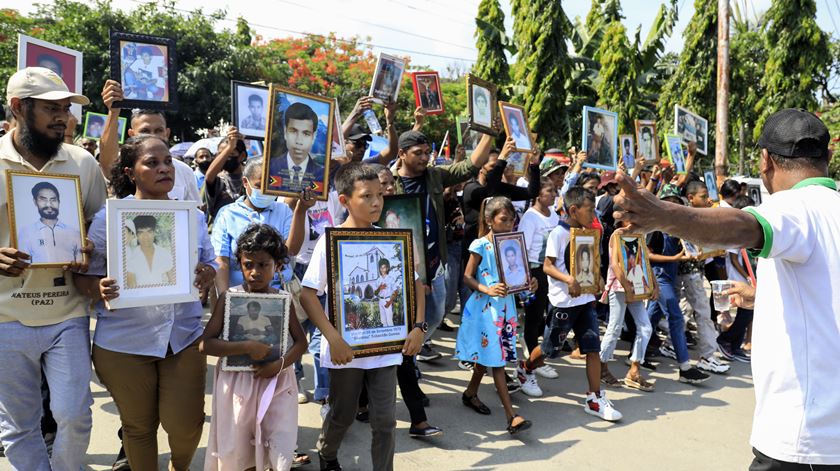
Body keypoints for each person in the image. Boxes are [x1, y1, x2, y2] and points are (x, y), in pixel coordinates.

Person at [614, 108, 840, 469]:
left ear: (765, 161)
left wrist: (663, 215)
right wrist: (766, 296)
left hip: (804, 440)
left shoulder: (795, 206)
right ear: (828, 156)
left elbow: (743, 225)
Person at [73, 134, 217, 471]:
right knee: (139, 427)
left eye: (167, 161)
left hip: (182, 337)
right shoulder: (110, 218)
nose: (164, 168)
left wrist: (207, 273)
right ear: (131, 172)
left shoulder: (191, 217)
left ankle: (178, 466)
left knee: (187, 425)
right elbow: (82, 280)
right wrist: (100, 287)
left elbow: (210, 263)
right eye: (152, 163)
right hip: (123, 342)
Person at [0, 67, 105, 471]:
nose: (63, 117)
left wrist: (92, 249)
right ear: (18, 108)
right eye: (51, 108)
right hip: (6, 315)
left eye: (66, 109)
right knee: (19, 425)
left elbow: (101, 226)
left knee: (75, 415)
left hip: (67, 311)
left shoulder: (82, 163)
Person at [299, 163, 426, 470]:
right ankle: (327, 453)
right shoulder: (331, 242)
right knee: (342, 414)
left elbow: (416, 284)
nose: (376, 203)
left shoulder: (391, 240)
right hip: (346, 349)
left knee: (385, 421)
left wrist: (419, 327)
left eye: (379, 195)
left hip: (385, 349)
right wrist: (333, 338)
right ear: (344, 201)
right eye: (366, 196)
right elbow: (308, 294)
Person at [202, 224, 308, 471]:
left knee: (276, 442)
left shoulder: (283, 300)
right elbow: (206, 344)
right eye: (248, 264)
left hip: (276, 382)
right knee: (239, 447)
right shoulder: (229, 299)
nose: (255, 272)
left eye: (264, 265)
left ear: (277, 266)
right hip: (237, 384)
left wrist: (278, 366)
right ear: (239, 263)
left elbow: (301, 342)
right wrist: (246, 346)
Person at [516, 187, 622, 422]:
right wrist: (568, 280)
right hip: (563, 303)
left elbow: (590, 262)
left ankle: (594, 397)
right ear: (573, 210)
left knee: (592, 347)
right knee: (549, 350)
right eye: (590, 209)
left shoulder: (586, 232)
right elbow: (548, 266)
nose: (593, 215)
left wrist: (598, 278)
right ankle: (525, 369)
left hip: (585, 300)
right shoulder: (558, 234)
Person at [392, 129, 493, 362]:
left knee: (437, 311)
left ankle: (417, 344)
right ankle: (406, 359)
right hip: (402, 263)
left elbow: (469, 166)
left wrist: (488, 134)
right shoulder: (388, 182)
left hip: (434, 260)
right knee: (402, 315)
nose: (424, 157)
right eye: (418, 153)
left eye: (427, 152)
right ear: (402, 154)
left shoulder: (435, 175)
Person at [455, 196, 536, 433]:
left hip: (506, 307)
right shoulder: (481, 244)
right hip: (486, 309)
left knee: (488, 355)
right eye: (504, 219)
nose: (509, 223)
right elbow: (467, 276)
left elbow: (519, 274)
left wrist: (529, 283)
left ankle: (470, 393)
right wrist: (487, 288)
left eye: (512, 219)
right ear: (490, 220)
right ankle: (511, 416)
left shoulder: (513, 243)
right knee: (497, 360)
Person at [643, 184, 711, 384]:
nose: (672, 207)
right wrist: (675, 259)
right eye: (668, 203)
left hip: (670, 279)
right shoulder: (654, 228)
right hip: (659, 277)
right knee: (676, 317)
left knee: (651, 317)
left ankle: (638, 355)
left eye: (676, 203)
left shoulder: (677, 229)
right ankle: (685, 367)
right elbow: (647, 255)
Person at [211, 157, 309, 295]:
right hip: (239, 294)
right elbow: (221, 260)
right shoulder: (227, 214)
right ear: (246, 182)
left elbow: (290, 251)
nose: (265, 191)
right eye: (259, 185)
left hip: (278, 292)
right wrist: (225, 298)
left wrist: (301, 210)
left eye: (270, 185)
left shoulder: (284, 210)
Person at [98, 81, 200, 204]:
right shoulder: (124, 167)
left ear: (167, 134)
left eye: (158, 130)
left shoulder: (184, 171)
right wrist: (113, 112)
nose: (152, 136)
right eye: (145, 131)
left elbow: (194, 215)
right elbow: (108, 164)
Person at [674, 180, 730, 375]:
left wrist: (714, 251)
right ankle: (707, 356)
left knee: (685, 311)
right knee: (704, 313)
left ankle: (670, 343)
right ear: (691, 198)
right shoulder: (685, 218)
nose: (708, 200)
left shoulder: (700, 216)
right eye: (703, 196)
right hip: (689, 270)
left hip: (695, 269)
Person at [599, 217, 656, 392]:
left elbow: (644, 260)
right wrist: (627, 288)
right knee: (615, 327)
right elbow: (615, 264)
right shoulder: (618, 234)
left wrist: (654, 284)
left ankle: (634, 370)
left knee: (645, 328)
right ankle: (601, 367)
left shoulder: (639, 234)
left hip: (637, 285)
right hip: (619, 286)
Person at [517, 177, 560, 379]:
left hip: (552, 271)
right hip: (535, 271)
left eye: (554, 190)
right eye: (549, 190)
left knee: (549, 313)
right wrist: (526, 278)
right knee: (534, 315)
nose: (554, 194)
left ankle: (535, 348)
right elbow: (522, 250)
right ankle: (534, 359)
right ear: (538, 194)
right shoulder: (530, 218)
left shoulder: (555, 216)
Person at [716, 194, 755, 364]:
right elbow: (733, 259)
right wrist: (746, 275)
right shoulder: (734, 232)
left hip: (746, 279)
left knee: (747, 313)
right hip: (738, 278)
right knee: (746, 313)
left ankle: (735, 345)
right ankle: (726, 339)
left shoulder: (746, 231)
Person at [18, 181, 82, 264]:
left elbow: (81, 265)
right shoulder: (26, 232)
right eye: (43, 199)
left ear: (59, 202)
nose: (49, 204)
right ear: (35, 202)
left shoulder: (74, 232)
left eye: (53, 200)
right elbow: (24, 267)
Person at [267, 102, 326, 194]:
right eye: (293, 131)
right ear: (285, 132)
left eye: (306, 134)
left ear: (313, 137)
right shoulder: (270, 167)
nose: (299, 141)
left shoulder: (321, 175)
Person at [124, 215, 175, 287]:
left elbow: (173, 280)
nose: (145, 236)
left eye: (149, 231)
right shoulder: (130, 256)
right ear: (136, 235)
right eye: (141, 232)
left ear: (154, 232)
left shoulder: (164, 253)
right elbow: (131, 285)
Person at [374, 258, 398, 327]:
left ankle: (393, 336)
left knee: (389, 320)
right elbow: (375, 293)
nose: (382, 269)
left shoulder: (391, 279)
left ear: (387, 268)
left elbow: (395, 291)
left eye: (384, 267)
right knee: (383, 321)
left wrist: (390, 302)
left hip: (388, 300)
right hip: (380, 300)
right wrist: (379, 288)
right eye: (381, 267)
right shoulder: (378, 280)